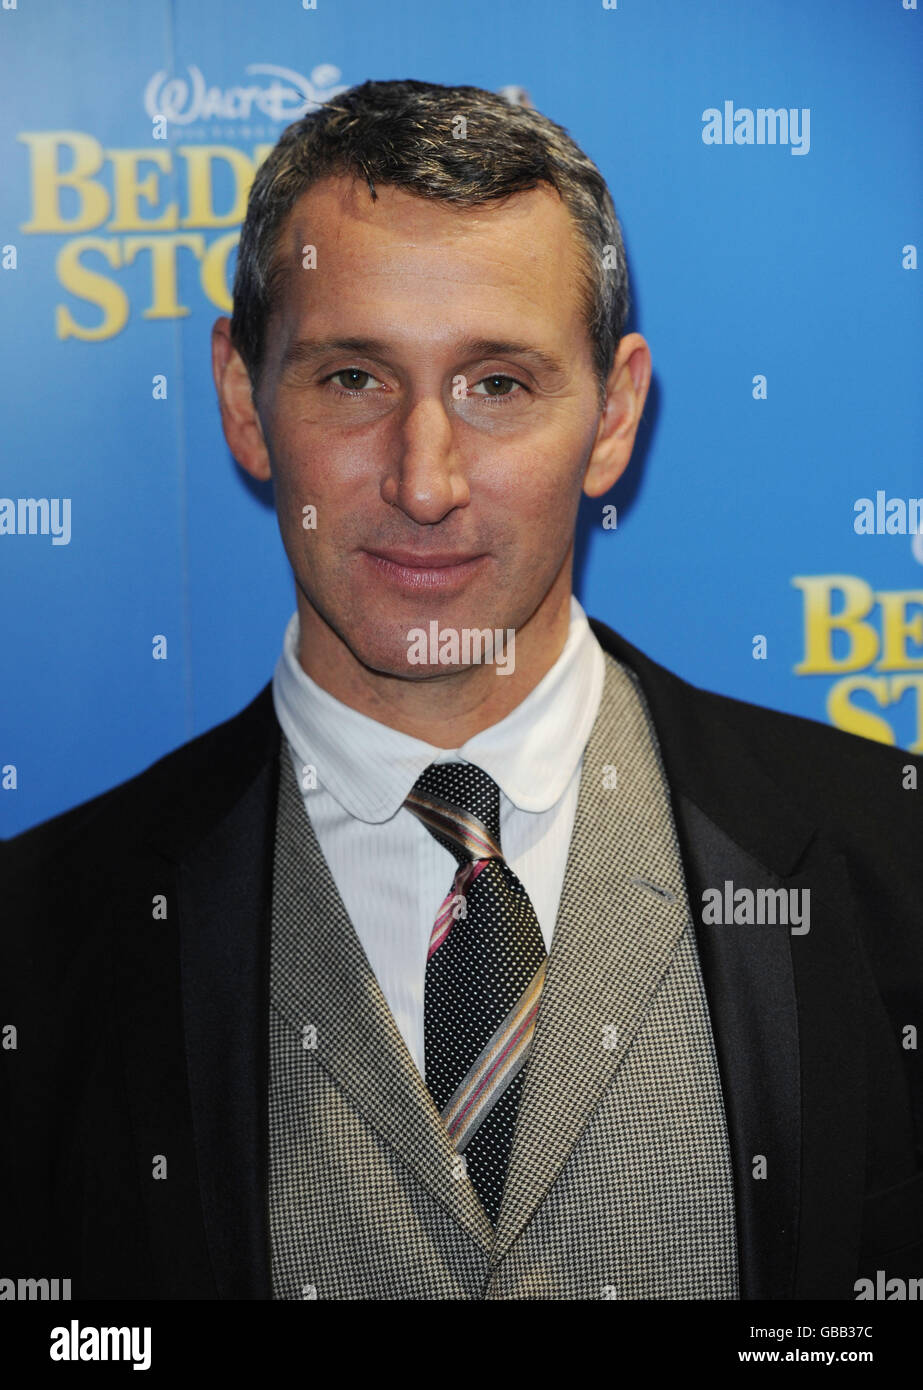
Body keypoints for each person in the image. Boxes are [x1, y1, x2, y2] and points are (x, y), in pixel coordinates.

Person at [2, 78, 921, 1302]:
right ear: (240, 398)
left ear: (614, 416)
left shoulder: (888, 856)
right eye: (351, 379)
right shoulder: (42, 940)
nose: (424, 480)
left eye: (497, 384)